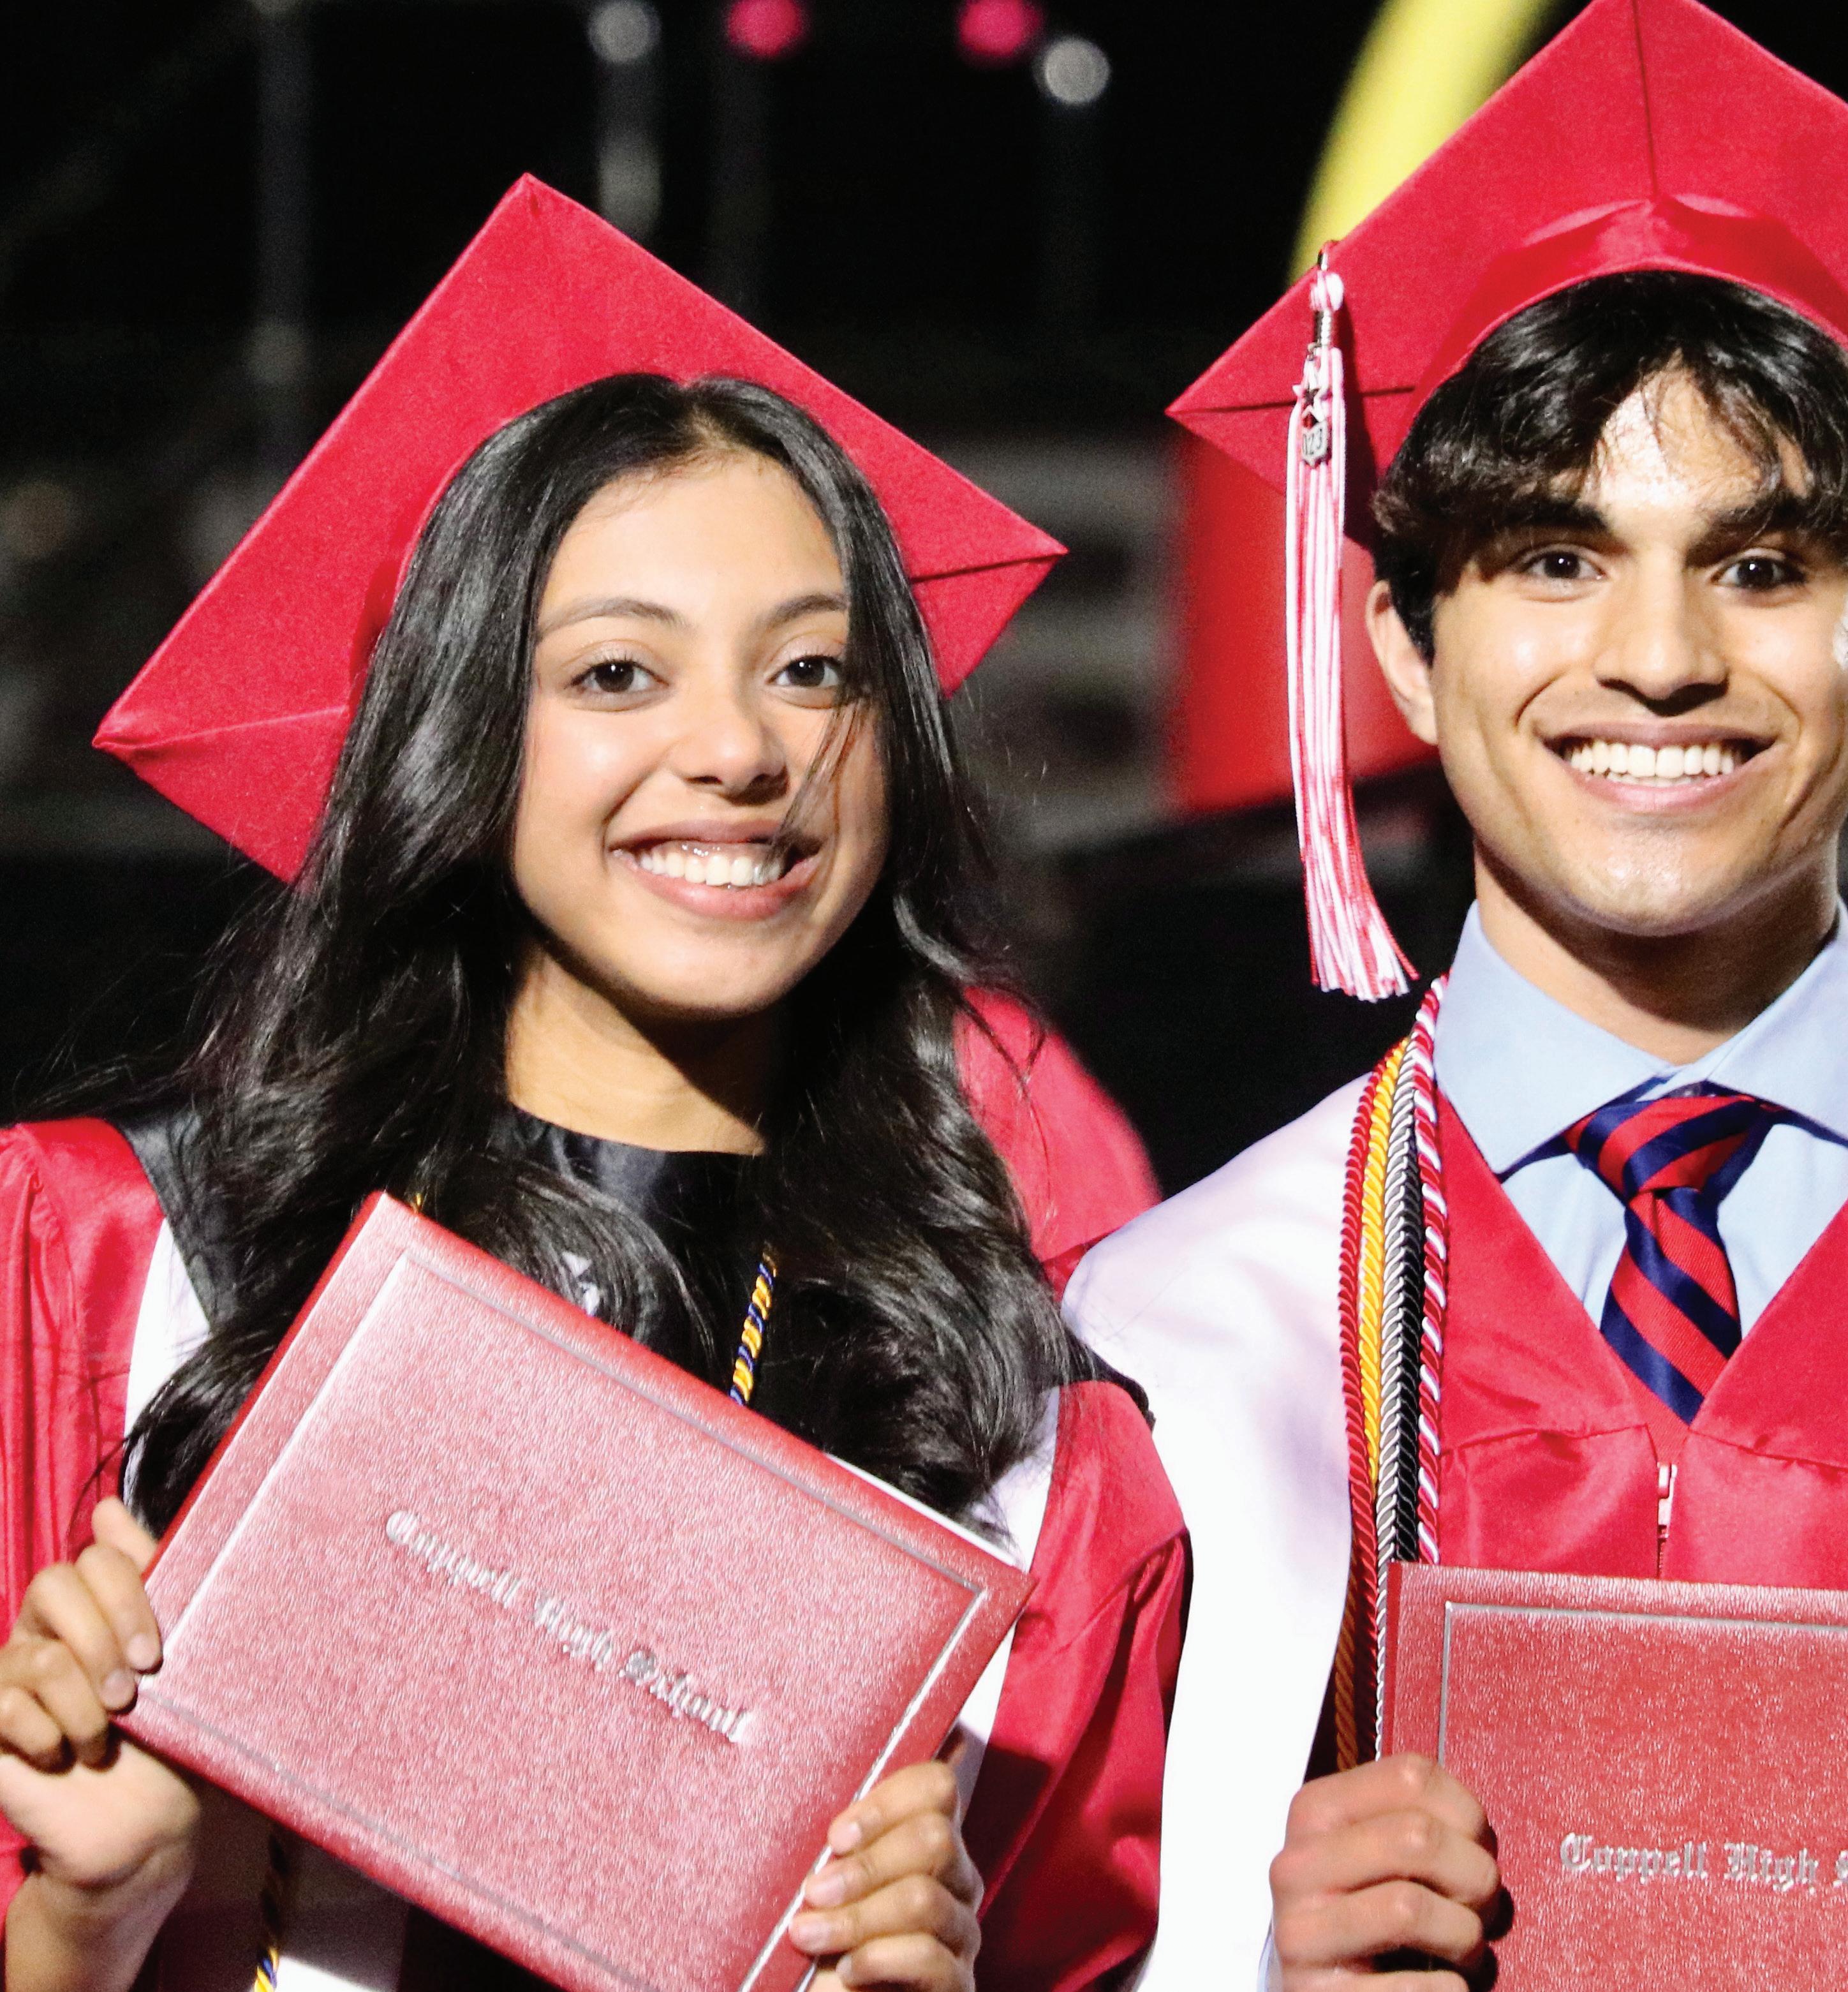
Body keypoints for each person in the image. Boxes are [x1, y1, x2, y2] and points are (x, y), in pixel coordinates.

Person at [1064, 1, 1848, 1986]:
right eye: (1556, 559)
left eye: (1759, 568)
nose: (1658, 657)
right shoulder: (1173, 1342)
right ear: (1406, 653)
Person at [0, 179, 1179, 1992]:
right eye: (619, 672)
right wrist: (90, 1915)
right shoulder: (110, 1272)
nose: (741, 749)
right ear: (459, 737)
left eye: (814, 669)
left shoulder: (1034, 1456)